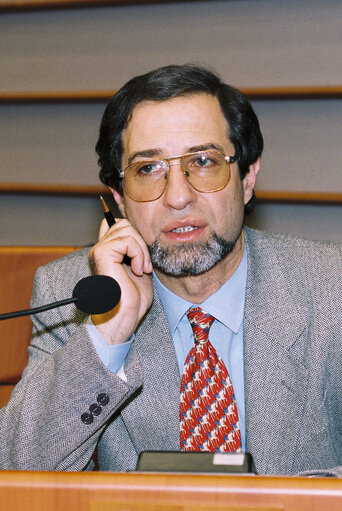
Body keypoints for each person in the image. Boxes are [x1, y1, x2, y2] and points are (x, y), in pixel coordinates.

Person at [0, 64, 341, 476]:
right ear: (119, 201)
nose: (178, 197)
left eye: (203, 161)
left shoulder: (331, 289)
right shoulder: (72, 295)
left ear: (247, 179)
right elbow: (16, 472)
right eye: (148, 169)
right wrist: (110, 333)